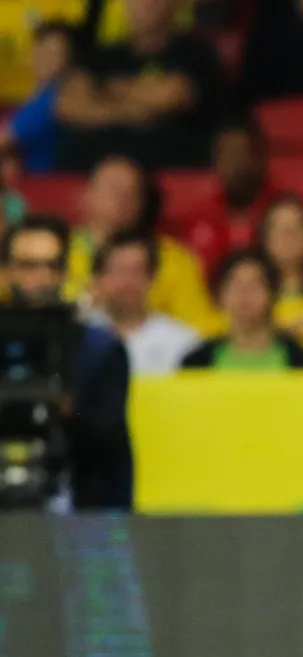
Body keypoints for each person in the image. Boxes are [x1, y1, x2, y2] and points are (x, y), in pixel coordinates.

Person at [2, 214, 133, 510]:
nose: (41, 277)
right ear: (7, 269)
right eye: (28, 265)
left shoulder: (100, 350)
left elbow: (112, 453)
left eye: (52, 265)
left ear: (64, 272)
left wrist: (67, 412)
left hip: (73, 504)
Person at [54, 0, 223, 170]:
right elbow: (67, 106)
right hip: (92, 174)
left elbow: (172, 96)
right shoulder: (102, 56)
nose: (145, 4)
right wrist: (132, 111)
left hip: (168, 171)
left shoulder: (193, 52)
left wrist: (104, 93)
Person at [66, 155, 218, 333]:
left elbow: (202, 328)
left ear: (142, 203)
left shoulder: (175, 259)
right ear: (86, 195)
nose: (121, 200)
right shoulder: (56, 250)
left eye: (131, 192)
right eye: (112, 190)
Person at [180, 250, 303, 370]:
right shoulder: (196, 363)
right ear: (220, 295)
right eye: (235, 285)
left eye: (255, 285)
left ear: (273, 294)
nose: (244, 294)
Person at [89, 230, 200, 374]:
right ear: (98, 278)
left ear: (152, 278)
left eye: (137, 271)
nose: (127, 282)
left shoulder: (183, 344)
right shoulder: (79, 336)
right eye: (119, 270)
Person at [179, 117, 280, 277]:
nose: (233, 163)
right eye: (225, 154)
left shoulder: (281, 213)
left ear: (260, 159)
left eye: (241, 153)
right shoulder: (197, 216)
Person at [0, 21, 75, 173]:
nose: (45, 59)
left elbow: (4, 139)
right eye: (41, 50)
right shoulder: (38, 96)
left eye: (55, 53)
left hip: (41, 185)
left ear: (68, 60)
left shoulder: (52, 100)